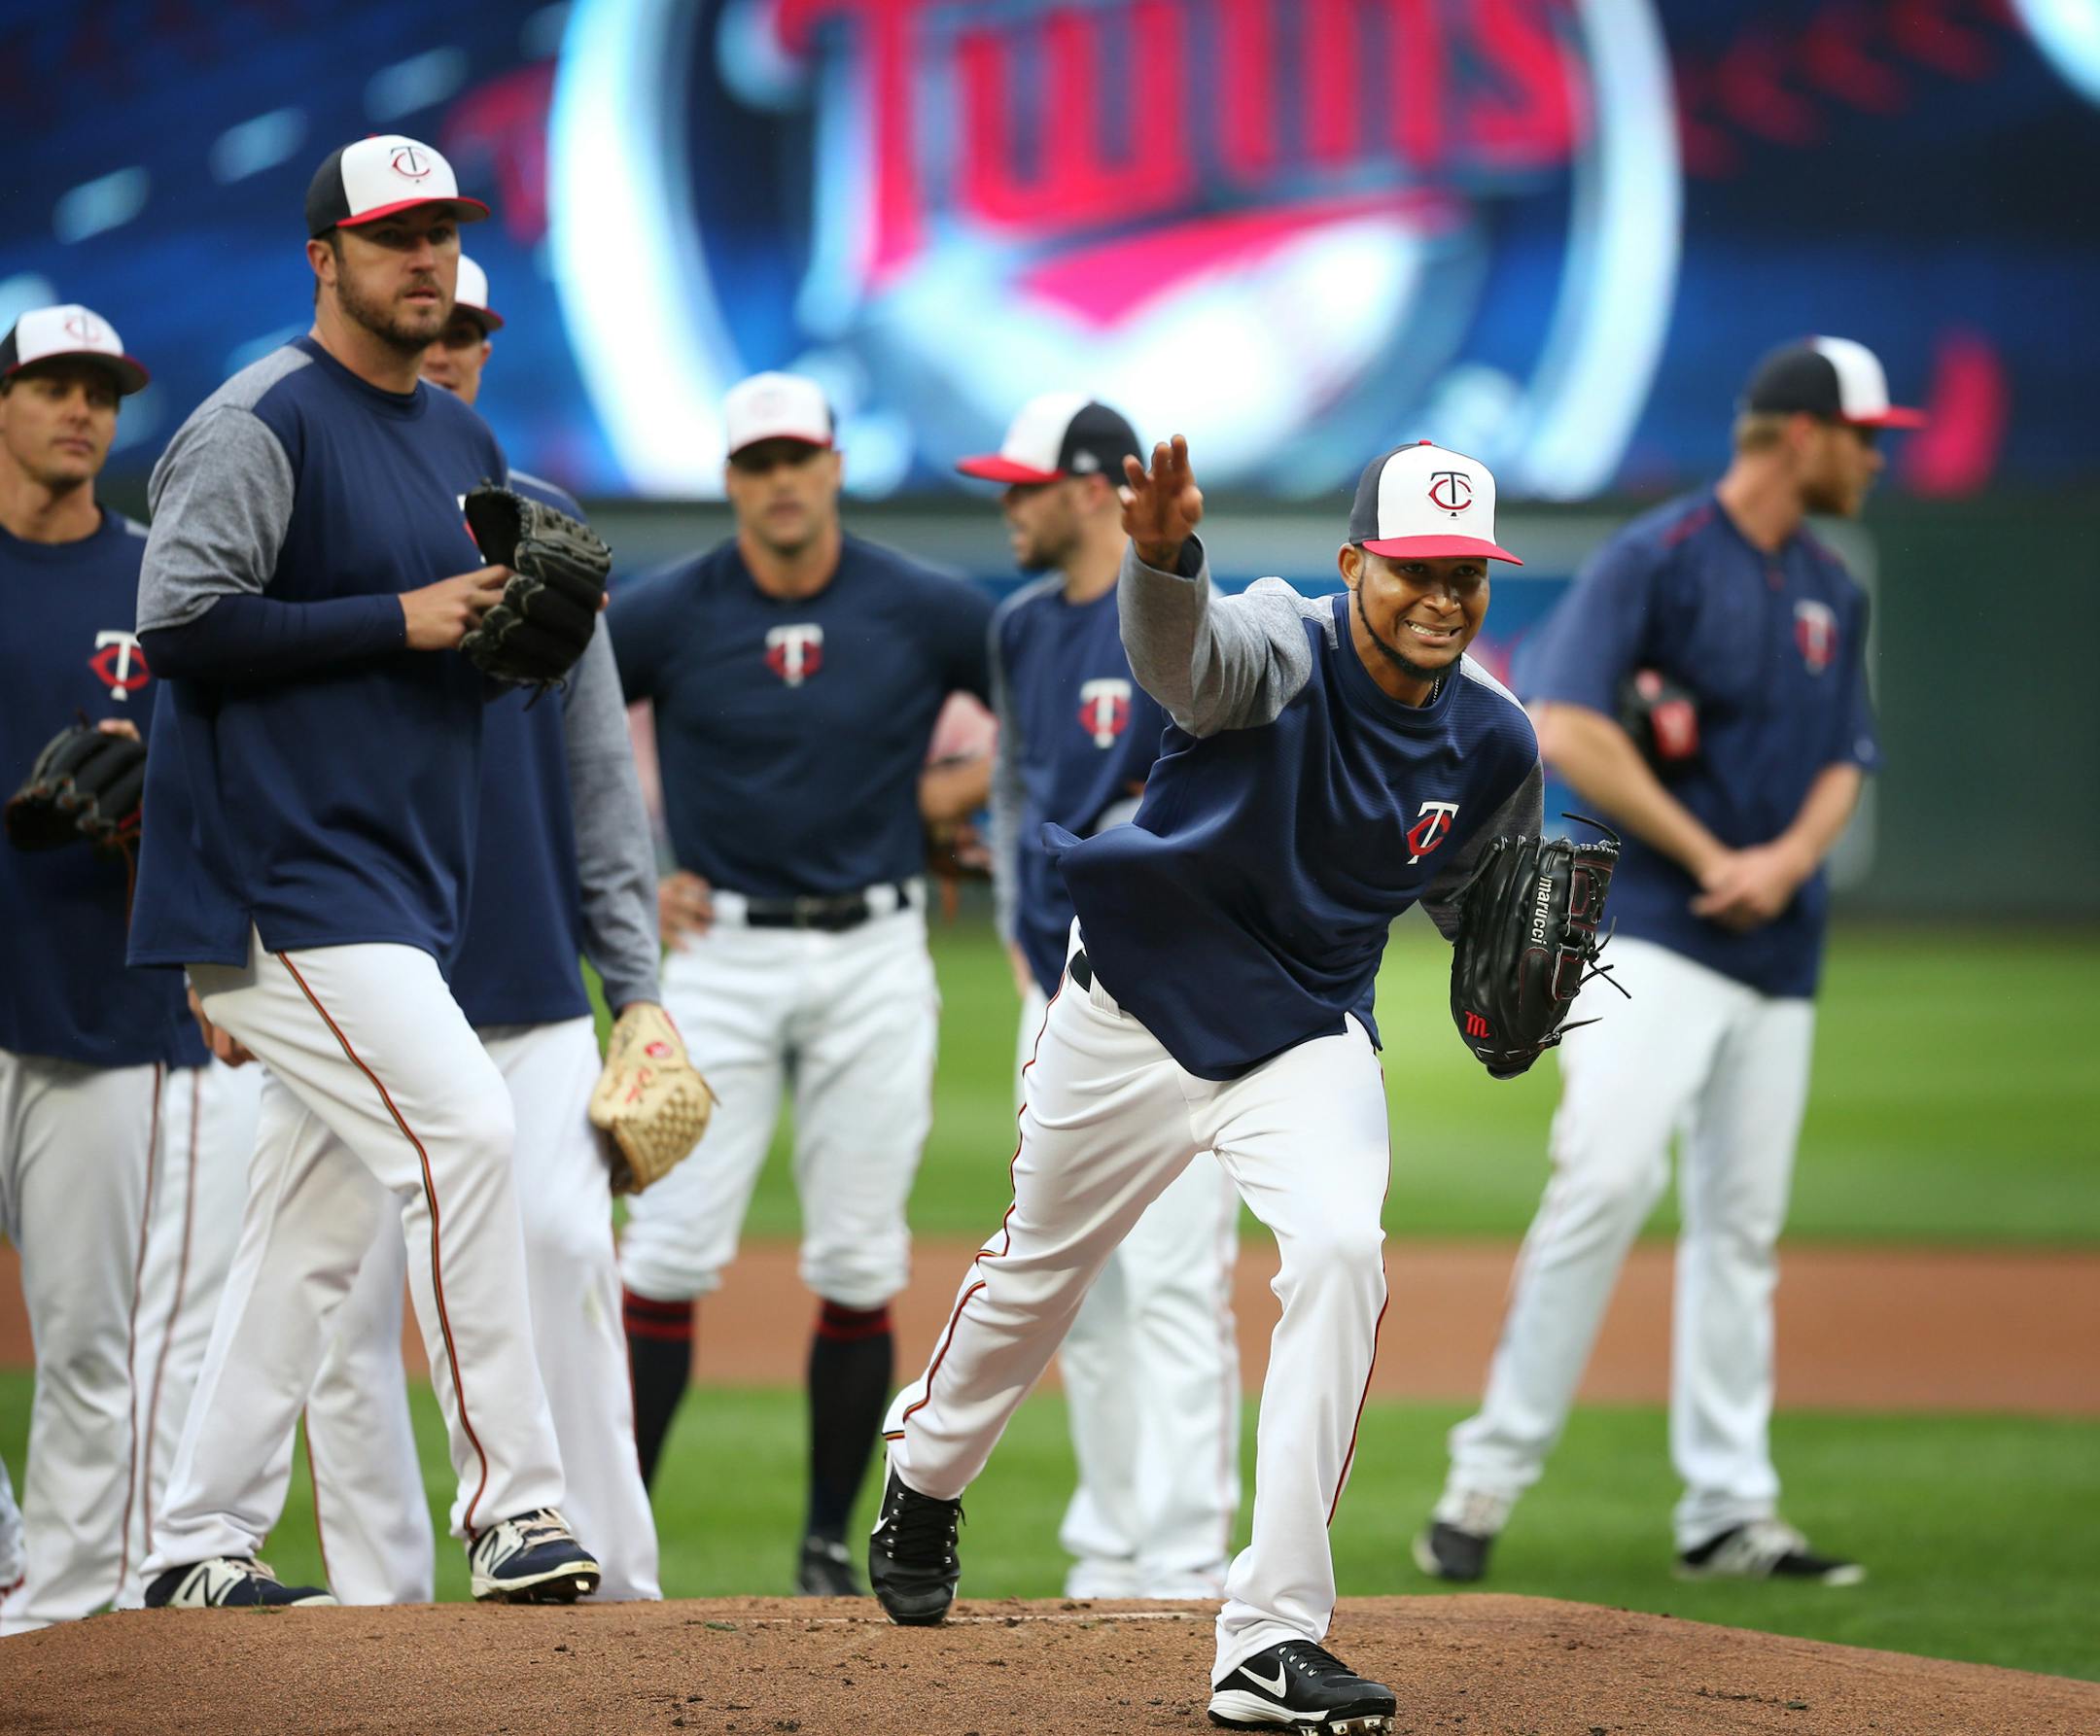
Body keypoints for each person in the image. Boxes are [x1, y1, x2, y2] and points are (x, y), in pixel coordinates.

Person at [871, 435, 1541, 1734]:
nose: (1442, 595)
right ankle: (930, 1471)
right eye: (1413, 569)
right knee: (1040, 1269)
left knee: (1344, 1250)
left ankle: (1270, 1634)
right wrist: (1166, 559)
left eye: (1466, 570)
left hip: (1300, 1032)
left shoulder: (1494, 738)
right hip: (1129, 1000)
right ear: (1356, 563)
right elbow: (1187, 661)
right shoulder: (1286, 644)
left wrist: (1506, 985)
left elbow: (1480, 909)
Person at [127, 134, 597, 1609]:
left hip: (398, 880)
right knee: (464, 1133)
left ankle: (195, 1540)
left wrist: (510, 649)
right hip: (279, 876)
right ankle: (516, 1508)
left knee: (307, 1235)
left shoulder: (462, 445)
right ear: (323, 256)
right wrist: (396, 619)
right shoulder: (260, 419)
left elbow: (454, 646)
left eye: (443, 231)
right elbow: (182, 620)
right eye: (393, 234)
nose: (425, 257)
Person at [1417, 337, 1913, 1588]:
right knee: (1603, 1181)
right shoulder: (1661, 557)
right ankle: (1484, 1481)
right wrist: (1711, 853)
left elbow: (1851, 752)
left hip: (1778, 953)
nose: (1878, 453)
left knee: (1742, 1229)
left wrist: (1788, 859)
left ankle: (1729, 1509)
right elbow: (1570, 722)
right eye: (1865, 433)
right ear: (1800, 433)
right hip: (1660, 939)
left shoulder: (1829, 582)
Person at [297, 255, 665, 1603]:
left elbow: (598, 783)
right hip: (349, 960)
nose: (448, 343)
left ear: (489, 349)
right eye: (432, 320)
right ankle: (381, 1610)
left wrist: (638, 984)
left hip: (523, 979)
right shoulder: (316, 510)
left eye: (471, 328)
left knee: (565, 1259)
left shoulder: (551, 524)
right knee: (343, 1306)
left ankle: (615, 1584)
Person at [609, 371, 994, 1595]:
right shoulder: (665, 613)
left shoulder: (923, 605)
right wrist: (628, 874)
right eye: (757, 462)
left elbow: (1051, 711)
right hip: (713, 958)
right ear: (732, 480)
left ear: (834, 464)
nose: (780, 481)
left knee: (860, 1257)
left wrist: (953, 793)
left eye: (799, 458)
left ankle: (830, 1545)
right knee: (661, 1248)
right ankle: (619, 1543)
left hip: (875, 955)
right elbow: (551, 744)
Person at [0, 303, 261, 1633]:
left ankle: (65, 1630)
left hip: (104, 1007)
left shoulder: (166, 585)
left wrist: (160, 793)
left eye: (99, 389)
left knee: (89, 1345)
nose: (80, 409)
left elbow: (238, 783)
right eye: (51, 383)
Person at [959, 393, 1241, 1599]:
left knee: (1178, 1272)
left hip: (1181, 997)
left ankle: (1184, 1553)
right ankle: (1110, 1544)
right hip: (1061, 989)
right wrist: (1024, 929)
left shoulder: (1180, 627)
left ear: (1089, 489)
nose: (1007, 506)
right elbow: (1017, 786)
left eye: (1024, 485)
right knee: (1084, 1277)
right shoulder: (1021, 626)